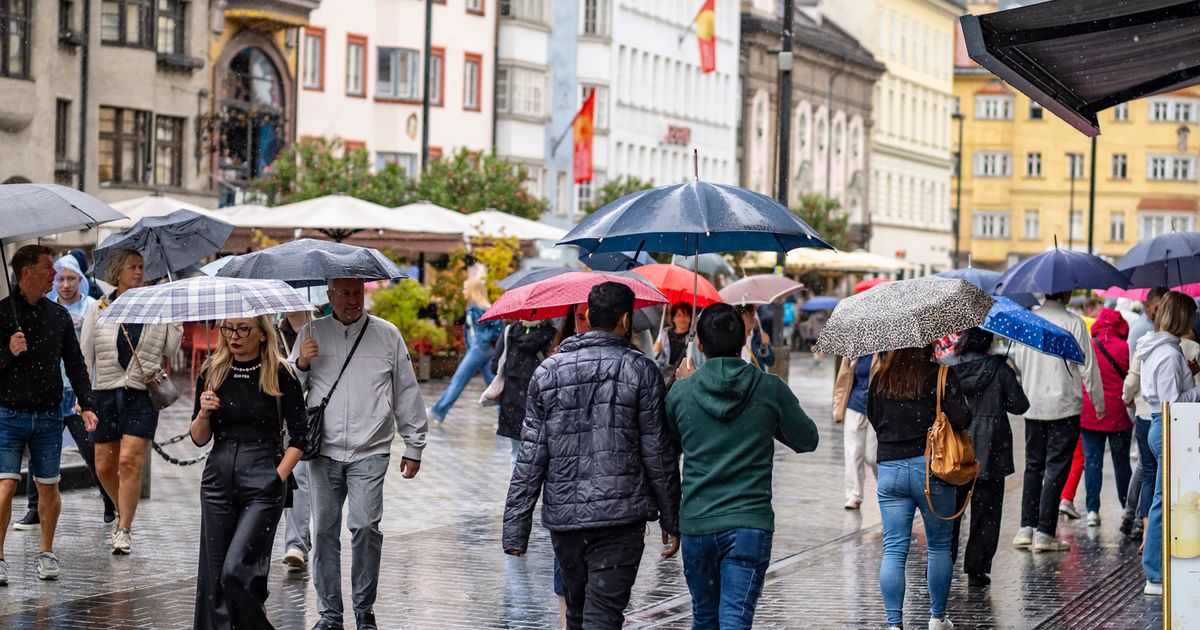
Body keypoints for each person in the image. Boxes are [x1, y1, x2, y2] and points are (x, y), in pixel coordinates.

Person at [503, 282, 681, 630]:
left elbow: (530, 456)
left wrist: (515, 527)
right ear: (626, 319)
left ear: (585, 316)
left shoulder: (549, 372)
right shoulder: (642, 370)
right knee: (602, 617)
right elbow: (657, 451)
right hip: (620, 518)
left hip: (567, 521)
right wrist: (672, 519)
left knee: (578, 614)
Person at [666, 303, 819, 629]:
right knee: (736, 619)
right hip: (749, 523)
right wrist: (768, 420)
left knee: (704, 619)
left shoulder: (682, 392)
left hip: (697, 521)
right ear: (744, 338)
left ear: (701, 345)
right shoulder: (769, 389)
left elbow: (668, 449)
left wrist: (682, 385)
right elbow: (807, 439)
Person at [291, 278, 427, 630]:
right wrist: (302, 364)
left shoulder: (388, 335)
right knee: (323, 532)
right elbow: (291, 391)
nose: (353, 300)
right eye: (345, 293)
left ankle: (364, 610)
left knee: (365, 526)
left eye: (358, 292)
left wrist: (414, 444)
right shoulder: (310, 332)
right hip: (323, 451)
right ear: (330, 295)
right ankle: (329, 615)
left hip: (372, 448)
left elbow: (406, 390)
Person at [190, 315, 307, 629]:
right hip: (217, 476)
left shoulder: (281, 373)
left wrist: (276, 477)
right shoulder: (212, 371)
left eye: (243, 329)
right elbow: (199, 437)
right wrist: (203, 412)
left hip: (263, 476)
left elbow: (300, 437)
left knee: (237, 571)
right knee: (214, 579)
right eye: (228, 329)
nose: (234, 336)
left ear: (263, 334)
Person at [0, 245, 100, 584]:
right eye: (48, 269)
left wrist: (87, 403)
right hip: (8, 415)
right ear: (26, 273)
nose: (55, 275)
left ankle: (46, 551)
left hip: (48, 417)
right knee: (6, 485)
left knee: (48, 486)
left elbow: (75, 363)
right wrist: (8, 353)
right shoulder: (1, 314)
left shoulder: (57, 317)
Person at [79, 249, 182, 555]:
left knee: (128, 462)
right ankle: (121, 510)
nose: (138, 272)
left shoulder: (157, 305)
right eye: (131, 267)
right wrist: (84, 397)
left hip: (142, 392)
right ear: (117, 272)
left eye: (141, 267)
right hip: (105, 392)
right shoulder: (100, 307)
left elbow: (172, 350)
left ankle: (124, 528)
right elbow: (85, 354)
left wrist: (174, 317)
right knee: (104, 466)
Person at [867, 344, 971, 630]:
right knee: (938, 546)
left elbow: (875, 420)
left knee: (894, 548)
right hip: (931, 468)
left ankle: (893, 623)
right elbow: (962, 420)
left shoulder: (880, 379)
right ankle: (937, 617)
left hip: (890, 469)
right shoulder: (940, 376)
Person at [14, 254, 115, 531]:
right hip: (45, 393)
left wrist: (89, 398)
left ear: (81, 280)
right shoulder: (36, 310)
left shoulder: (91, 307)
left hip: (74, 392)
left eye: (71, 278)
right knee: (39, 455)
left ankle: (108, 500)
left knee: (90, 449)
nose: (65, 284)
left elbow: (87, 356)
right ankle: (34, 509)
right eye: (60, 278)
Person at [1009, 290, 1104, 552]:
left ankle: (1026, 527)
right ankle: (1045, 532)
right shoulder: (1074, 323)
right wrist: (1098, 403)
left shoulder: (1029, 321)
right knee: (1056, 468)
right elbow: (1088, 366)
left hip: (1034, 405)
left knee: (1033, 465)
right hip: (1064, 407)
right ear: (1067, 292)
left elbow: (1018, 359)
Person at [948, 328, 1029, 588]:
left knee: (951, 512)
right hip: (992, 450)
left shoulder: (947, 367)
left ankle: (943, 564)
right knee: (987, 514)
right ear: (988, 342)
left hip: (956, 451)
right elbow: (1020, 405)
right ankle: (977, 569)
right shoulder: (1000, 369)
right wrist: (1007, 377)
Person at [1135, 291, 1200, 597]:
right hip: (1168, 426)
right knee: (1163, 502)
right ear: (1182, 318)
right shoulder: (1170, 353)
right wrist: (1197, 391)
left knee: (1164, 499)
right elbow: (1172, 401)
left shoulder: (1156, 348)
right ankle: (1155, 573)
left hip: (1158, 425)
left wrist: (1189, 374)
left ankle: (1158, 567)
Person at [1059, 308, 1132, 527]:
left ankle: (1092, 511)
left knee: (1092, 462)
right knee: (1121, 462)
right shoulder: (1125, 347)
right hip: (1118, 413)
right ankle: (1126, 506)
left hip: (1090, 412)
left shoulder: (1089, 345)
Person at [1122, 287, 1174, 542]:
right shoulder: (1151, 338)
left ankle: (1138, 524)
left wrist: (1127, 397)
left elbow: (1132, 380)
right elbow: (1134, 378)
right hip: (1153, 414)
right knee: (1151, 474)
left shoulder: (1148, 339)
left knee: (1147, 470)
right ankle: (1144, 528)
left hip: (1145, 413)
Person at [428, 277, 503, 423]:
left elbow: (497, 330)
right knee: (493, 385)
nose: (463, 292)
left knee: (457, 381)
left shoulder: (482, 309)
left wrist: (484, 339)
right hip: (480, 350)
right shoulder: (476, 308)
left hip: (479, 349)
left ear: (473, 291)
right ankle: (504, 418)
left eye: (465, 289)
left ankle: (437, 411)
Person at [277, 309, 319, 572]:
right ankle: (298, 542)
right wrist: (300, 363)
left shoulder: (321, 331)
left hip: (316, 417)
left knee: (307, 479)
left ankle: (300, 542)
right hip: (283, 414)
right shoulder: (271, 331)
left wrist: (306, 363)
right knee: (294, 478)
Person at [492, 319, 556, 465]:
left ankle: (515, 487)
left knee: (516, 453)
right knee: (539, 454)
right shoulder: (552, 335)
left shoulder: (510, 332)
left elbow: (494, 366)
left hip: (511, 401)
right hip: (538, 402)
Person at [832, 352, 882, 510]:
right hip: (855, 403)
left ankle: (885, 488)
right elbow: (842, 381)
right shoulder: (853, 351)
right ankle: (854, 494)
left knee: (872, 456)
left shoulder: (886, 352)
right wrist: (837, 407)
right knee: (853, 452)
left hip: (877, 406)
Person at [653, 303, 693, 370]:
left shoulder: (694, 337)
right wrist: (657, 351)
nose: (682, 318)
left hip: (685, 373)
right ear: (673, 318)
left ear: (690, 318)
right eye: (679, 315)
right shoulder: (664, 334)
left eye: (686, 315)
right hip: (666, 374)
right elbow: (655, 358)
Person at [735, 304, 774, 370]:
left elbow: (770, 362)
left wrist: (765, 346)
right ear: (740, 317)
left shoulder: (759, 335)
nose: (753, 316)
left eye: (753, 313)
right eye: (748, 314)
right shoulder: (734, 337)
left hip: (757, 378)